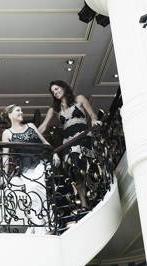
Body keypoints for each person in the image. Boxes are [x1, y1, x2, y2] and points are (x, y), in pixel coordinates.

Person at [38, 80, 102, 210]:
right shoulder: (54, 109)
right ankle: (84, 203)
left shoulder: (80, 98)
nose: (55, 92)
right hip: (68, 141)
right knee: (75, 170)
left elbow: (92, 115)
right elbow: (44, 126)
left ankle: (93, 192)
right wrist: (32, 135)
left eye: (56, 89)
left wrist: (95, 121)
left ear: (63, 87)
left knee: (82, 164)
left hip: (83, 136)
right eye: (53, 91)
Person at [0, 104, 55, 234]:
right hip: (25, 169)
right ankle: (39, 225)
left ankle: (48, 224)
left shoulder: (30, 126)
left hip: (41, 162)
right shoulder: (7, 133)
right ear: (10, 114)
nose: (21, 112)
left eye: (21, 110)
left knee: (39, 188)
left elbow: (45, 143)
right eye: (18, 110)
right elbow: (5, 156)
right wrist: (4, 175)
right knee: (31, 193)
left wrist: (55, 154)